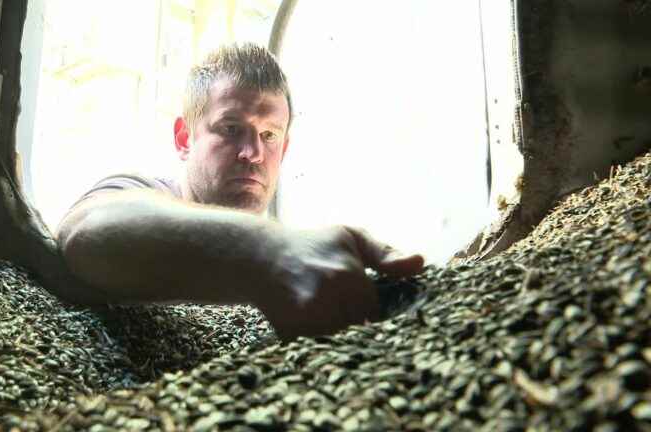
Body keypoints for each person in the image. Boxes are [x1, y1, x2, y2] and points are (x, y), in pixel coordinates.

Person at [56, 43, 424, 340]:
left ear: (285, 147)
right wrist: (270, 252)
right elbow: (84, 230)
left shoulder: (298, 261)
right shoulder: (143, 195)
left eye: (269, 135)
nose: (253, 154)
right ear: (185, 138)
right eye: (232, 129)